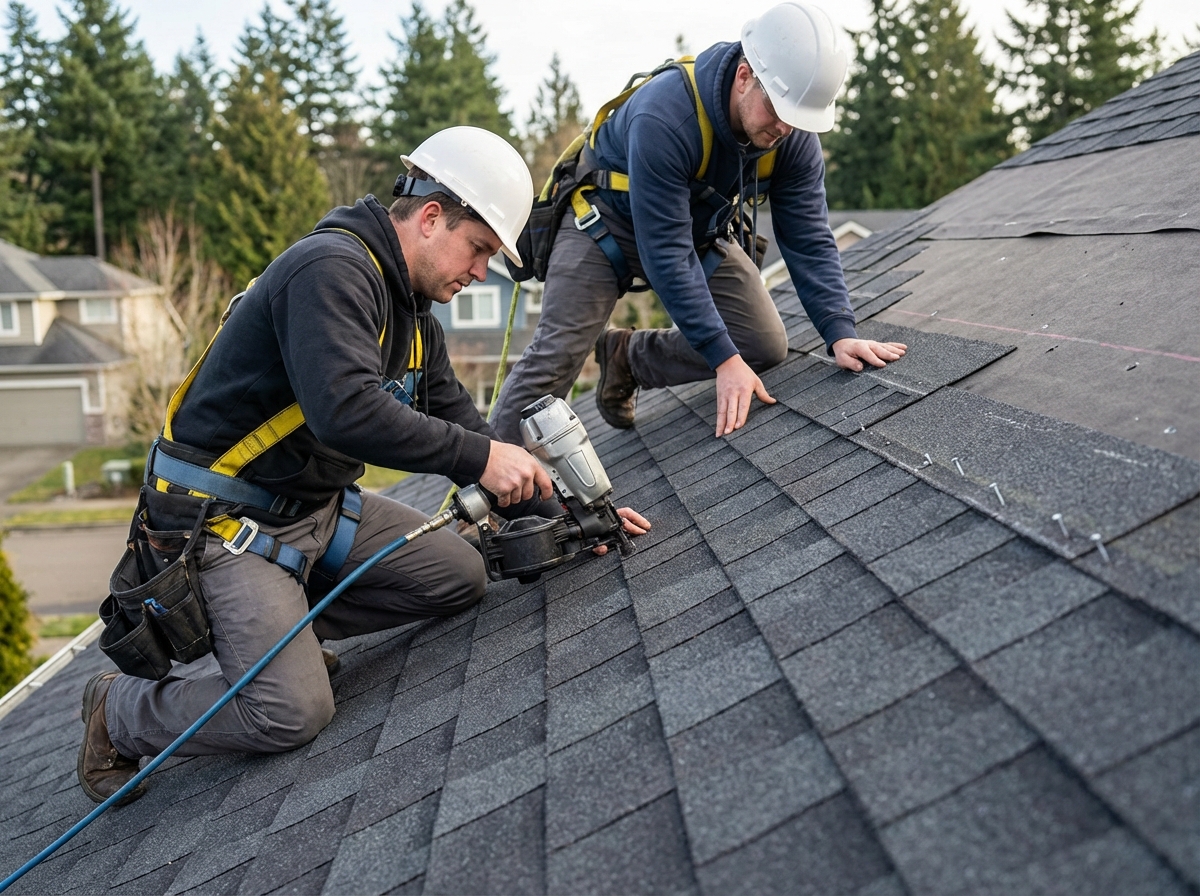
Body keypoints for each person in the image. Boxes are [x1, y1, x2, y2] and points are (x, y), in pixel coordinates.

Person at [77, 126, 650, 805]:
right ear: (432, 216)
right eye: (478, 250)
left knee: (461, 576)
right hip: (228, 527)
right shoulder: (330, 270)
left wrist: (570, 516)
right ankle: (117, 711)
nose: (477, 273)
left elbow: (459, 423)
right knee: (291, 712)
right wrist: (481, 455)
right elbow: (343, 411)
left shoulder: (412, 317)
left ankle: (279, 634)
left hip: (316, 508)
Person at [490, 1, 907, 443]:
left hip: (694, 230)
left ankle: (628, 357)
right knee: (556, 359)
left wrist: (840, 330)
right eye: (778, 108)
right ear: (745, 76)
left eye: (798, 117)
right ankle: (490, 490)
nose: (786, 127)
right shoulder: (666, 115)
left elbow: (808, 237)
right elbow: (665, 252)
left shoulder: (791, 136)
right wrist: (723, 360)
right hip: (604, 227)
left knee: (763, 344)